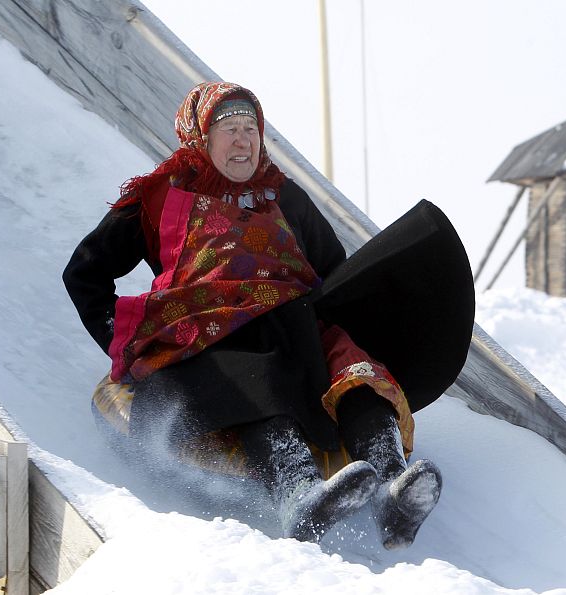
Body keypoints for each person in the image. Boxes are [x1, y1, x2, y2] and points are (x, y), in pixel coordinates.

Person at [63, 82, 474, 548]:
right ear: (201, 137)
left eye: (251, 129)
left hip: (291, 326)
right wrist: (122, 341)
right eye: (229, 129)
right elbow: (85, 272)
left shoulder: (283, 196)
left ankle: (391, 491)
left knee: (354, 373)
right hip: (207, 335)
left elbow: (334, 272)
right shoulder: (159, 196)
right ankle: (298, 496)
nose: (243, 141)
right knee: (259, 383)